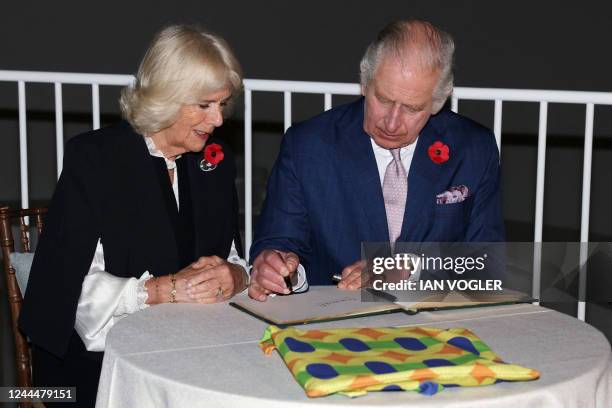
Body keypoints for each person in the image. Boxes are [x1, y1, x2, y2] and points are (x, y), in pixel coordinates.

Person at [19, 25, 246, 407]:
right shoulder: (94, 160)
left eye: (223, 105)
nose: (219, 120)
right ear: (168, 97)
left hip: (191, 352)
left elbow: (233, 255)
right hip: (95, 365)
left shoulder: (213, 163)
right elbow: (71, 293)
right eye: (206, 105)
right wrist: (164, 289)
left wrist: (235, 276)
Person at [249, 19, 505, 301]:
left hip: (437, 319)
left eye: (412, 108)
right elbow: (280, 244)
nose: (392, 123)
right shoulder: (308, 146)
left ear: (437, 102)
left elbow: (487, 265)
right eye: (382, 99)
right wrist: (277, 269)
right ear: (364, 81)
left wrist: (409, 271)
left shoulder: (473, 148)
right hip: (332, 318)